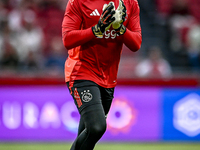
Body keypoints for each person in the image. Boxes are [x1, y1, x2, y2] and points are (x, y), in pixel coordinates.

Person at [62, 0, 142, 149]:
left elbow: (136, 44)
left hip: (108, 78)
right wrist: (97, 29)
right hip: (81, 71)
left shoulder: (130, 3)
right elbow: (67, 39)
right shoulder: (78, 2)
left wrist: (120, 28)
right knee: (97, 127)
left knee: (88, 135)